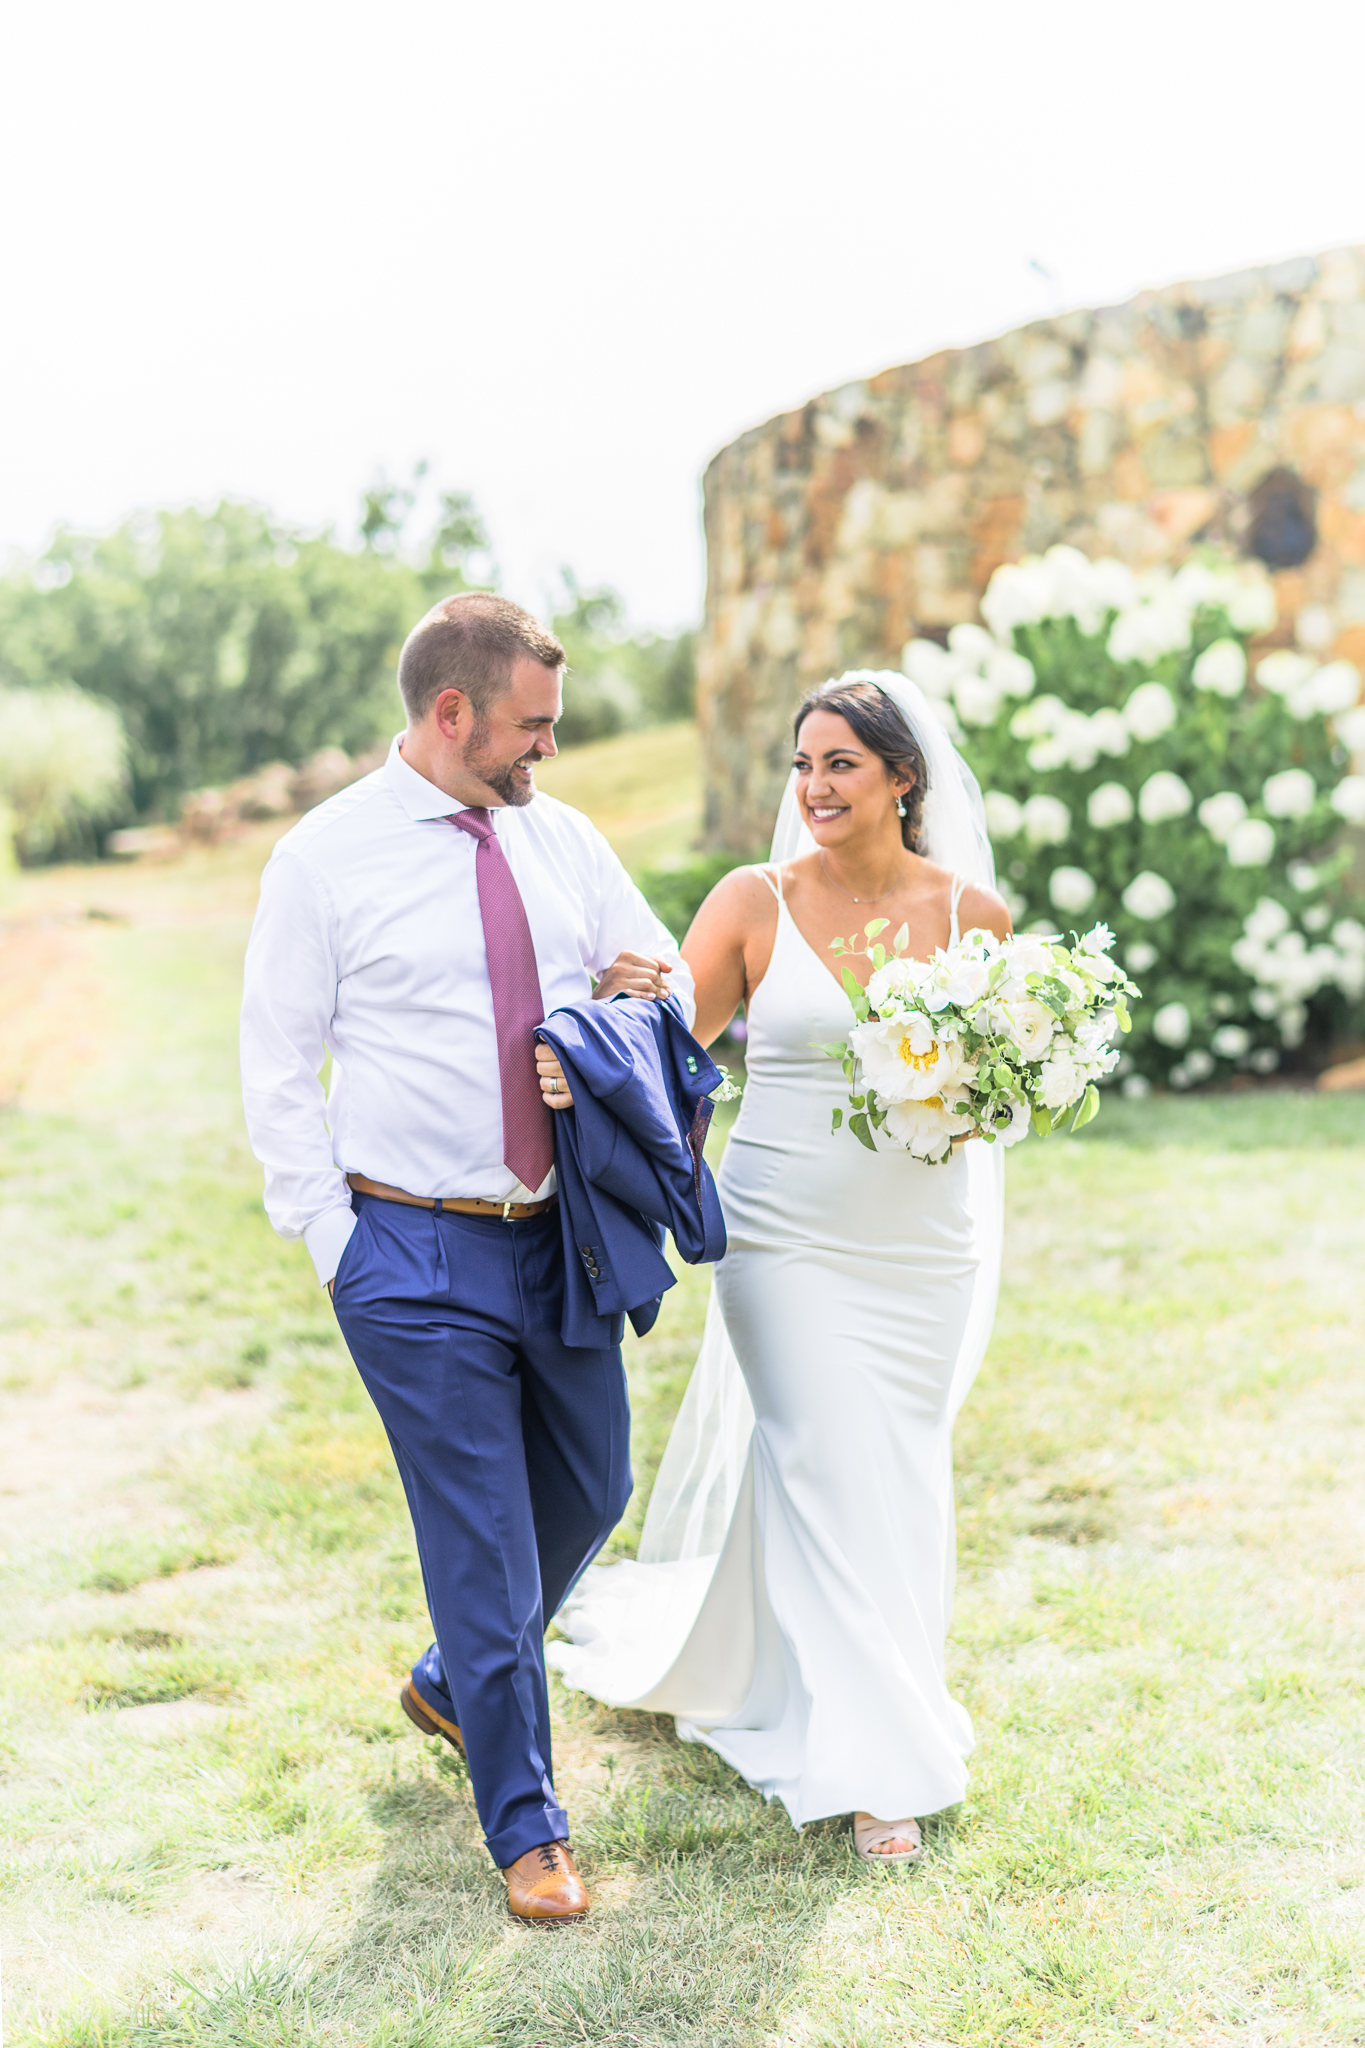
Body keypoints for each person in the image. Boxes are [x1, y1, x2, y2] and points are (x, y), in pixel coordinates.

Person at [239, 592, 693, 1923]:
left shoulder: (562, 839)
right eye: (529, 730)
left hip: (561, 1243)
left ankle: (449, 1681)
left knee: (596, 1485)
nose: (544, 756)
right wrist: (336, 1243)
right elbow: (276, 1066)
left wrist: (628, 991)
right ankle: (529, 1830)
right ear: (452, 714)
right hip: (412, 1252)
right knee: (485, 1545)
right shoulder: (323, 861)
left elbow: (656, 961)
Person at [546, 670, 1010, 1864]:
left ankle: (846, 1681)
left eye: (842, 763)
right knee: (819, 1461)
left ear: (904, 776)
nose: (814, 787)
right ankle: (878, 1770)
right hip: (783, 1238)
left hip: (922, 1247)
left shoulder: (974, 917)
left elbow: (1000, 1089)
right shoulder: (754, 900)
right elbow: (659, 1053)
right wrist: (582, 1049)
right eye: (803, 764)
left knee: (893, 1474)